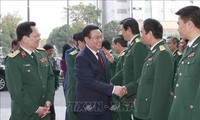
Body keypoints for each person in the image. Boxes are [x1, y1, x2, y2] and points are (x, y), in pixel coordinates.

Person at [74, 25, 126, 120]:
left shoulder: (101, 53)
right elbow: (89, 82)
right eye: (96, 37)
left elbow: (103, 78)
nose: (100, 40)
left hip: (104, 106)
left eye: (101, 37)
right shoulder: (82, 57)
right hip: (88, 108)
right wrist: (113, 89)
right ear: (86, 39)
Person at [5, 21, 55, 120]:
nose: (39, 38)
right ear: (25, 39)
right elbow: (16, 91)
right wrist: (35, 109)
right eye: (36, 36)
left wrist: (49, 100)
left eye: (39, 36)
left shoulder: (42, 54)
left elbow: (50, 78)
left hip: (45, 113)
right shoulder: (13, 60)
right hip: (25, 114)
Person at [134, 18, 174, 120]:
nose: (141, 35)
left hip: (150, 113)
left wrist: (154, 116)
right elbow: (145, 80)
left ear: (150, 34)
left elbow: (161, 90)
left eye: (142, 32)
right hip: (144, 109)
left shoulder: (163, 53)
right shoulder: (154, 51)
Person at [111, 17, 148, 120]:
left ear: (129, 30)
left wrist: (136, 97)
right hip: (127, 95)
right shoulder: (133, 45)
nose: (121, 33)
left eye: (122, 30)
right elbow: (126, 70)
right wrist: (110, 83)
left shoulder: (139, 45)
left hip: (132, 97)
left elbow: (140, 75)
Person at [168, 6, 200, 120]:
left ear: (189, 25)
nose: (178, 28)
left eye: (179, 24)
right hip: (180, 111)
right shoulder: (188, 48)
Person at [66, 32, 85, 120]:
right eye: (84, 42)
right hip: (75, 91)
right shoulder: (72, 55)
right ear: (79, 42)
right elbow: (75, 74)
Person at [110, 35, 127, 120]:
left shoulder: (125, 55)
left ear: (118, 44)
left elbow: (123, 73)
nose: (113, 47)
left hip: (121, 90)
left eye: (113, 45)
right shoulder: (122, 55)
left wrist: (110, 83)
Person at [43, 43, 60, 120]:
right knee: (48, 105)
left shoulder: (52, 59)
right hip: (45, 87)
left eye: (52, 51)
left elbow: (54, 76)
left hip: (51, 86)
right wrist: (59, 72)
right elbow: (50, 72)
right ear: (45, 51)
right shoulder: (43, 60)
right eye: (49, 51)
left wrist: (56, 84)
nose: (51, 52)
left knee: (51, 104)